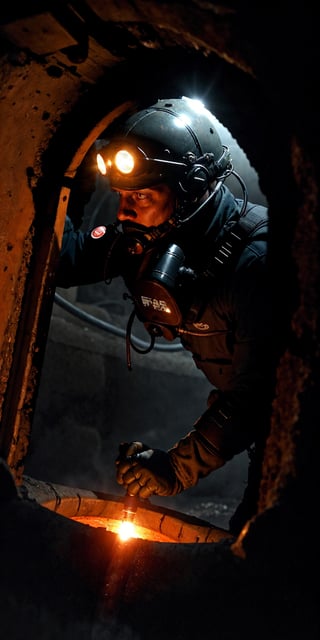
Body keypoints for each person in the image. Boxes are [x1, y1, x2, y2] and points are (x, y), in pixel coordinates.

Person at [56, 96, 282, 535]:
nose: (123, 212)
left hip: (294, 432)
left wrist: (173, 468)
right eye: (121, 195)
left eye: (140, 195)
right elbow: (59, 258)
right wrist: (71, 176)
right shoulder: (144, 237)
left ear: (190, 191)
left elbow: (254, 398)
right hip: (258, 424)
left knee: (262, 547)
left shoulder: (257, 262)